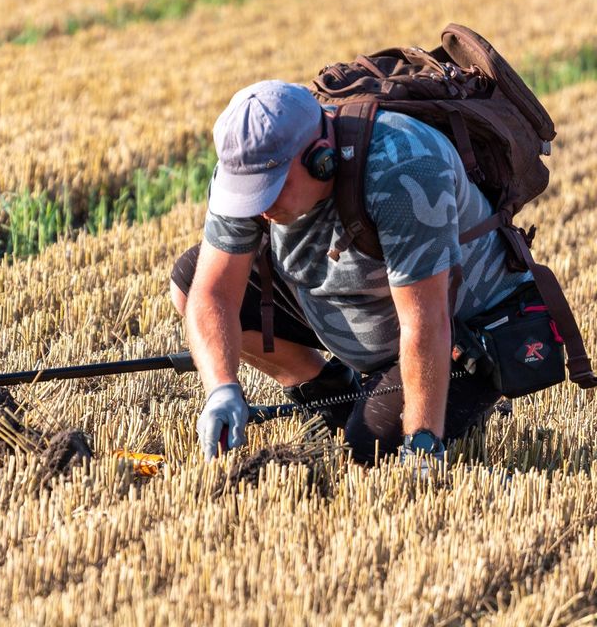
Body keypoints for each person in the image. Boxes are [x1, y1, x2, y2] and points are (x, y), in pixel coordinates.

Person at [170, 79, 532, 466]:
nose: (258, 207)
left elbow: (426, 321)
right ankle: (327, 393)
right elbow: (213, 293)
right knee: (190, 282)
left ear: (320, 158)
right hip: (354, 300)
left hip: (461, 337)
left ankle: (450, 408)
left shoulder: (403, 168)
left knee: (368, 452)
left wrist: (422, 442)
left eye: (270, 189)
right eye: (248, 192)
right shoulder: (247, 164)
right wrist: (221, 389)